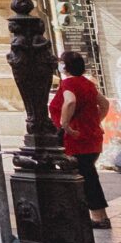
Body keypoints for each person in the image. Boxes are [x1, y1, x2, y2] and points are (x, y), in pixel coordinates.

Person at [49, 51, 111, 229]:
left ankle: (98, 217)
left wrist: (65, 125)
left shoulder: (69, 83)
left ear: (65, 66)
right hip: (91, 136)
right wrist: (95, 121)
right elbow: (105, 104)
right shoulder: (87, 83)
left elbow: (70, 101)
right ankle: (99, 215)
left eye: (61, 62)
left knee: (85, 178)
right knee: (89, 176)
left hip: (76, 139)